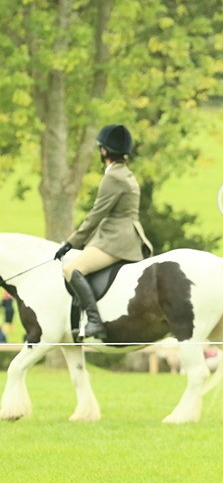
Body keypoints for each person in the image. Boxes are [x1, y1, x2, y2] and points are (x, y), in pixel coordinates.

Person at [53, 124, 153, 341]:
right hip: (130, 237)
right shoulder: (126, 174)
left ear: (105, 151)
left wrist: (71, 242)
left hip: (116, 240)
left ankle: (95, 322)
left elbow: (96, 215)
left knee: (72, 269)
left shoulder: (113, 177)